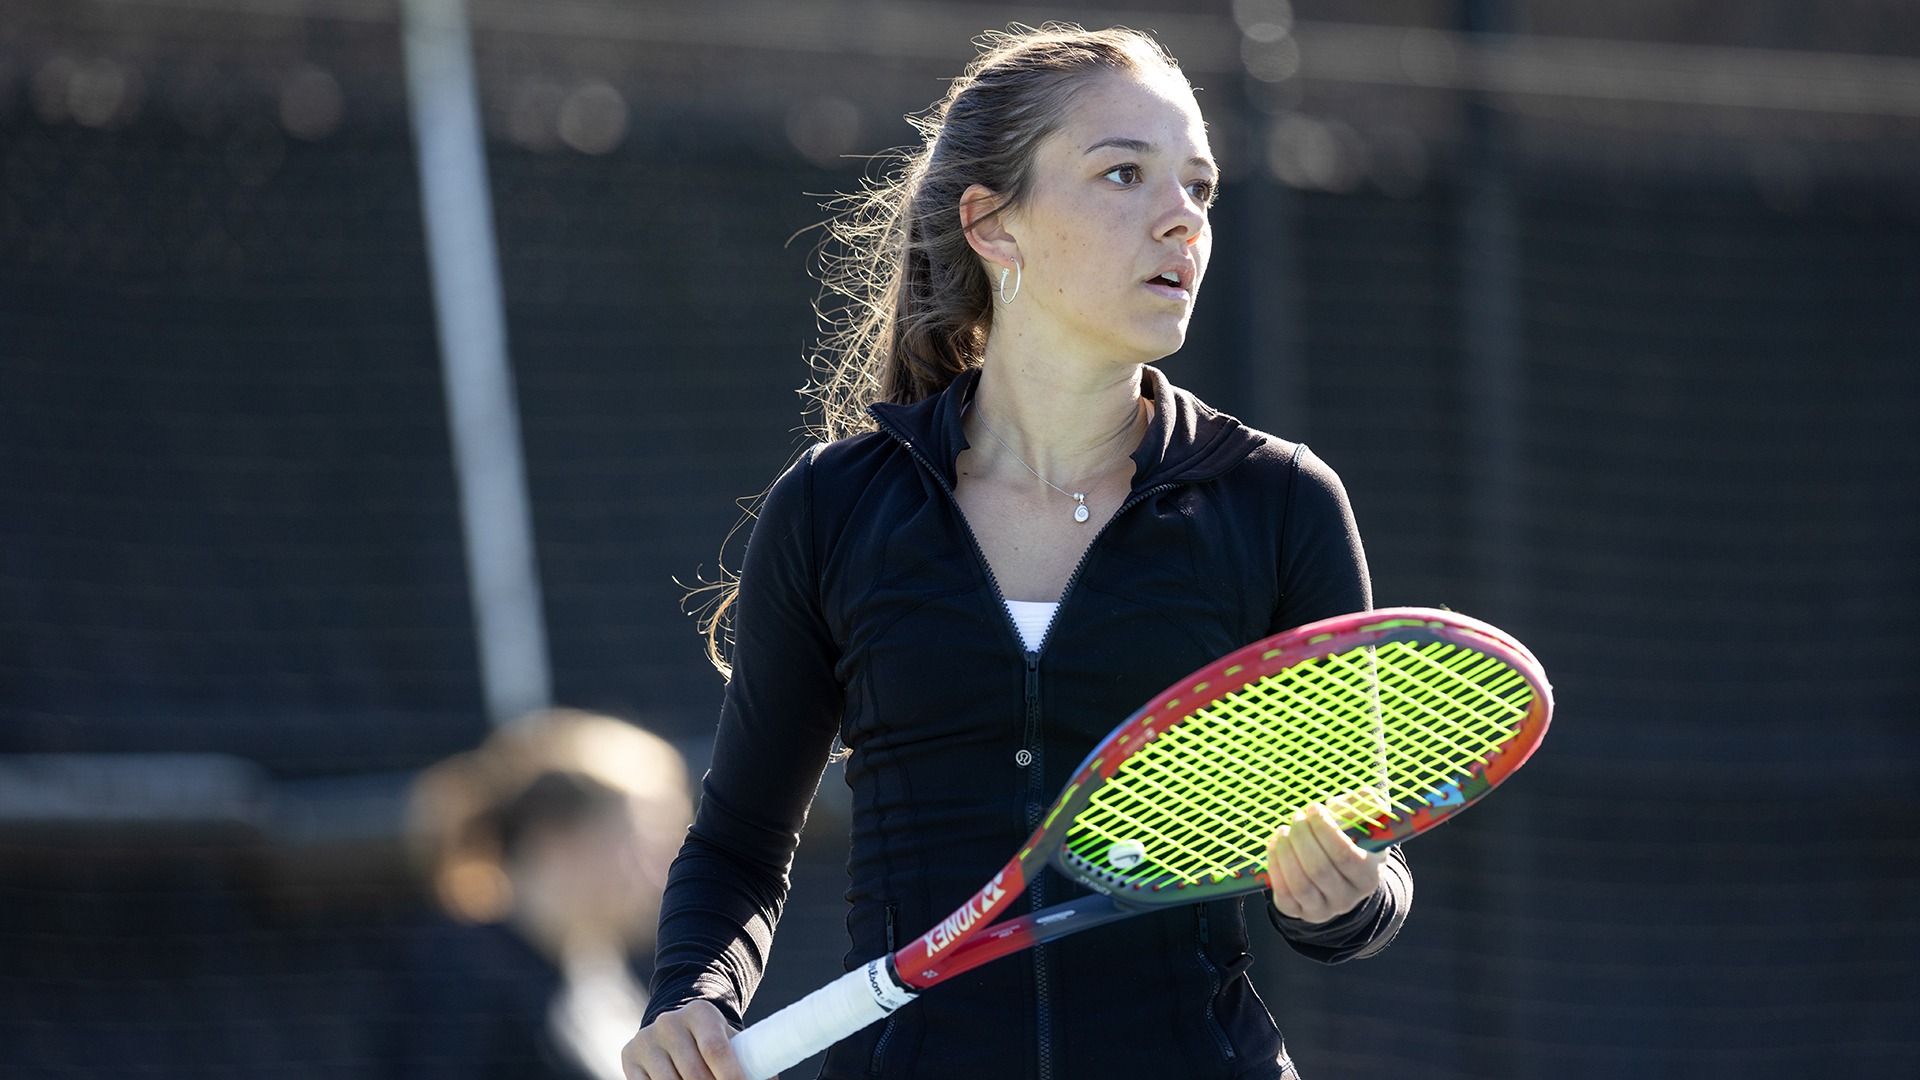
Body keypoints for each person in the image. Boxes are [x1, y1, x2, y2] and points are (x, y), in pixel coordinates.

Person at [623, 24, 1411, 1080]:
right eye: (1123, 174)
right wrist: (693, 998)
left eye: (1200, 187)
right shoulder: (833, 505)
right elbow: (738, 845)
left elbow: (1366, 868)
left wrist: (1345, 898)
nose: (1181, 217)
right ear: (994, 225)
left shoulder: (1281, 503)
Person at [405, 708, 694, 1080]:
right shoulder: (459, 986)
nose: (662, 874)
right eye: (646, 845)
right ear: (557, 840)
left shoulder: (594, 973)